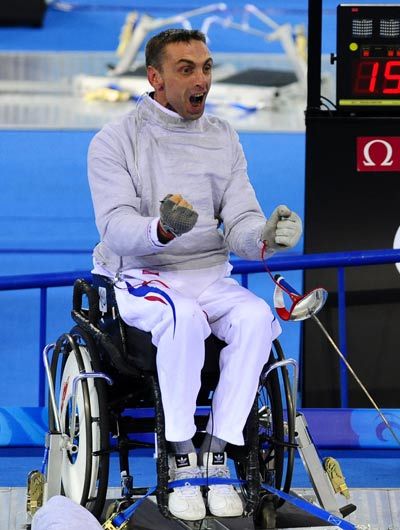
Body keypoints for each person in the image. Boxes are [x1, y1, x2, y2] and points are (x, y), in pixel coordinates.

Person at [88, 28, 302, 521]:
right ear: (156, 78)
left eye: (206, 67)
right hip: (142, 274)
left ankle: (218, 452)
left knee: (253, 316)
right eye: (187, 69)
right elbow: (116, 227)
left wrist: (265, 235)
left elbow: (242, 219)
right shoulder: (115, 140)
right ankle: (181, 456)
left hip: (208, 274)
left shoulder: (223, 136)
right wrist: (160, 230)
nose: (201, 78)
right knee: (183, 318)